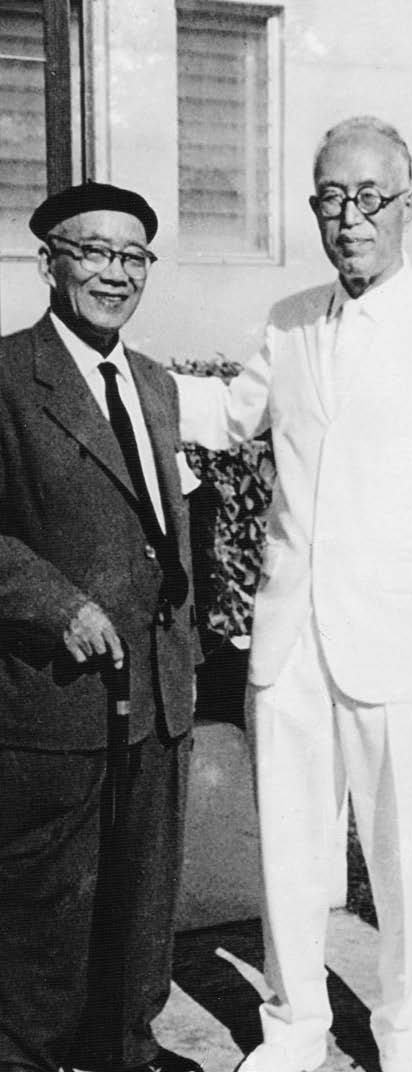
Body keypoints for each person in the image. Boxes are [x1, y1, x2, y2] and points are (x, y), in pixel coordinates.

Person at [173, 116, 412, 1072]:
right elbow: (229, 413)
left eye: (369, 196)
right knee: (288, 850)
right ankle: (294, 1030)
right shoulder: (290, 321)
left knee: (408, 855)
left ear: (407, 207)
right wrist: (110, 376)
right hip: (290, 640)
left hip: (405, 642)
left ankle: (404, 1037)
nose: (349, 216)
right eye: (330, 196)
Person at [0, 183, 204, 1072]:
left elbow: (169, 525)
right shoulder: (7, 377)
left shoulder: (155, 382)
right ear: (49, 262)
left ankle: (127, 1048)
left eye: (133, 257)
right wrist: (55, 603)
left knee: (140, 898)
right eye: (93, 252)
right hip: (54, 699)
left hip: (156, 694)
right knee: (43, 910)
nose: (114, 274)